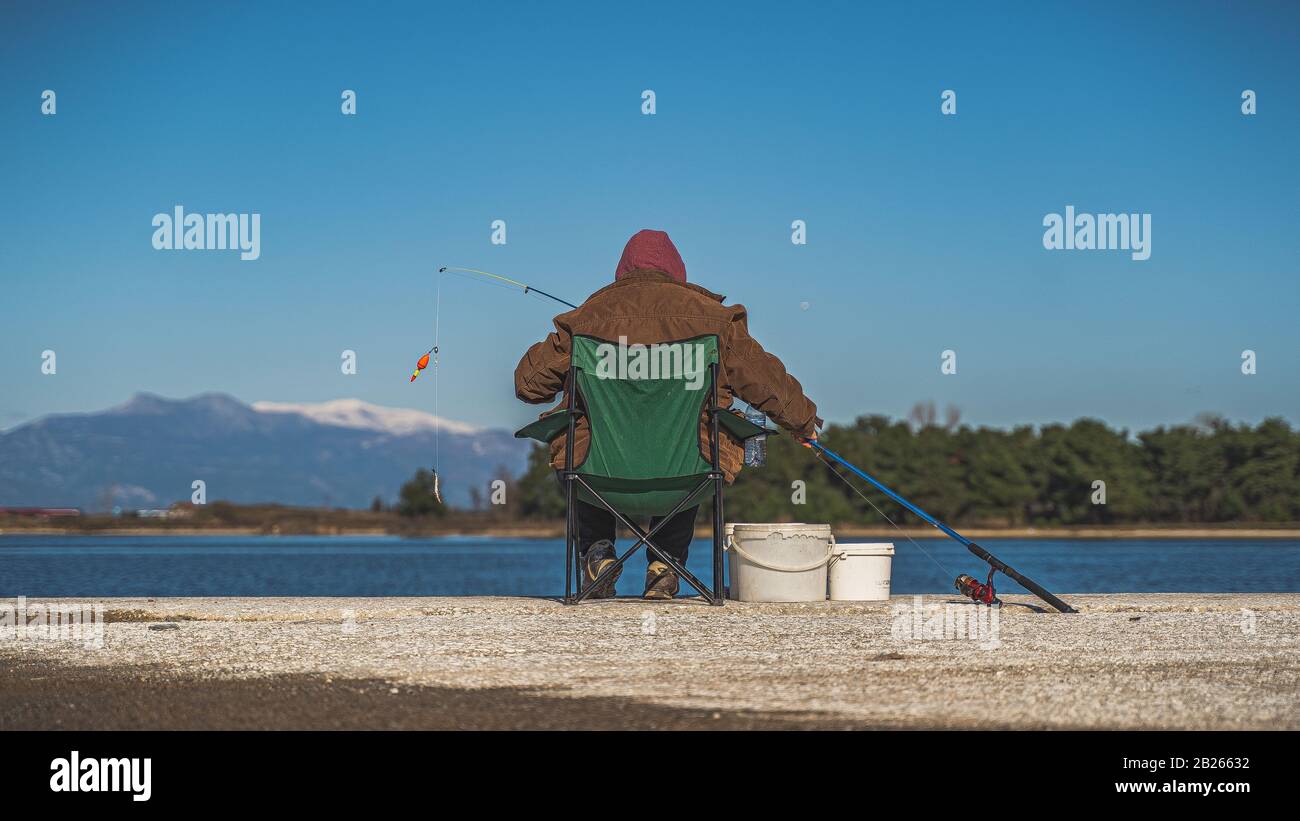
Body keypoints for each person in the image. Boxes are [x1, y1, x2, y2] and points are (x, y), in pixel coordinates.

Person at [514, 229, 821, 599]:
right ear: (678, 273)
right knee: (693, 439)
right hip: (690, 478)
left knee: (575, 437)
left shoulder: (584, 320)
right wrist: (803, 423)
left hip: (597, 479)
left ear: (621, 273)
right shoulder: (716, 321)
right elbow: (769, 384)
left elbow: (527, 385)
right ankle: (665, 562)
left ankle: (598, 552)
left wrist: (582, 326)